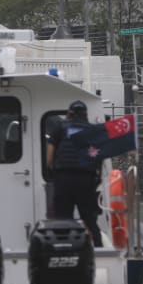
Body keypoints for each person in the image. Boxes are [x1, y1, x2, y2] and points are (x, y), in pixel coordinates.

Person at [46, 100, 103, 247]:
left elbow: (50, 157)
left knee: (63, 221)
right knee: (89, 220)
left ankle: (63, 249)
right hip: (86, 179)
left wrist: (54, 173)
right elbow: (98, 157)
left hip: (64, 179)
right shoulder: (92, 131)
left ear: (69, 114)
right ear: (85, 115)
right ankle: (99, 250)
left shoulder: (60, 128)